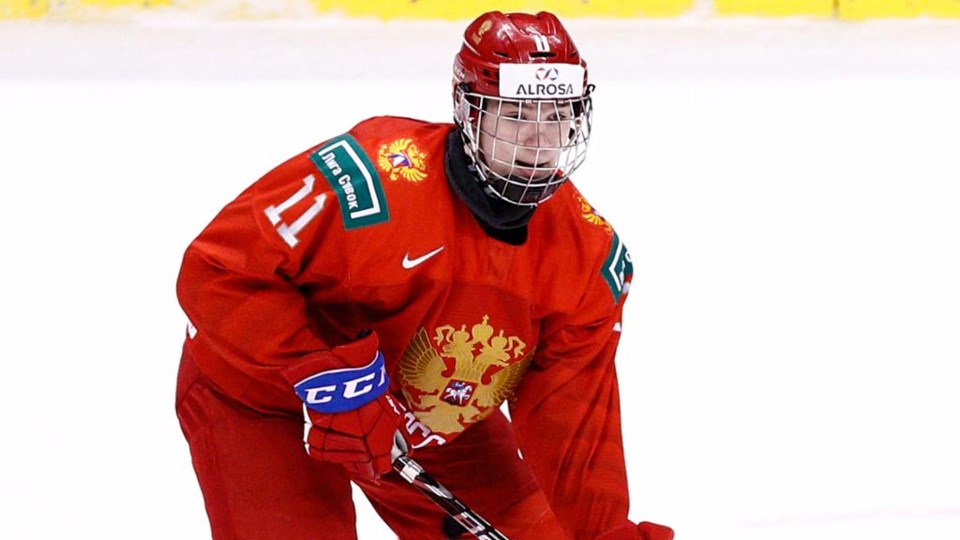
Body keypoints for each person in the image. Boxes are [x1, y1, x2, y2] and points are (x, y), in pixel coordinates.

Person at [175, 10, 673, 540]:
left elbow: (573, 422)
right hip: (258, 393)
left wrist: (604, 533)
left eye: (557, 116)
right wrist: (339, 384)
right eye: (516, 115)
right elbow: (217, 270)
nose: (538, 139)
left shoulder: (588, 260)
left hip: (429, 412)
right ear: (470, 112)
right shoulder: (371, 180)